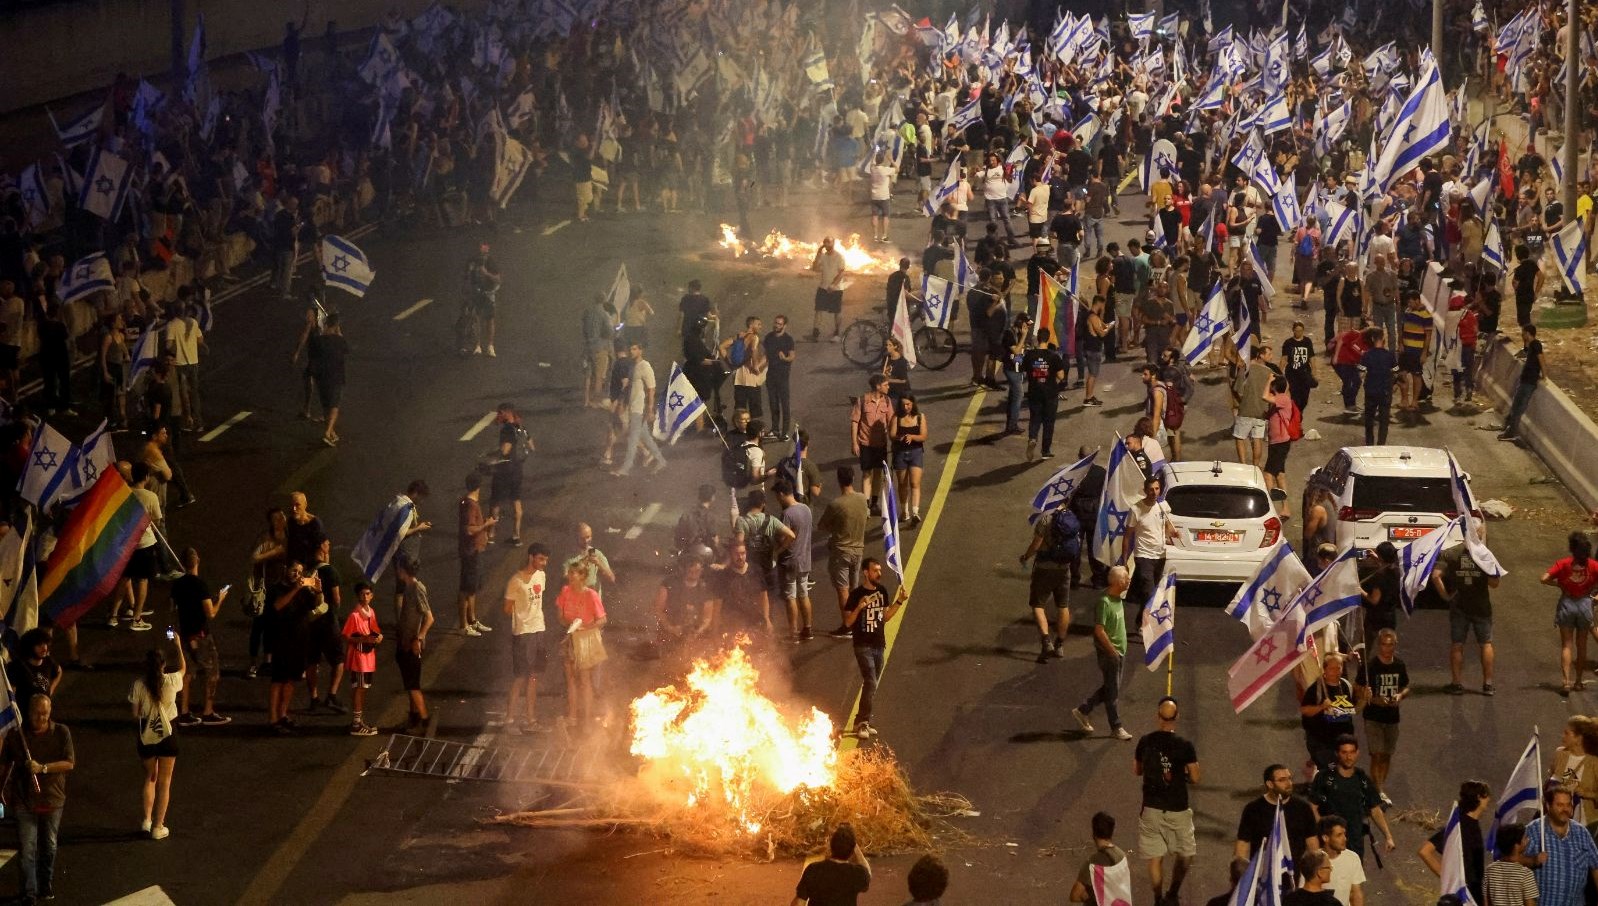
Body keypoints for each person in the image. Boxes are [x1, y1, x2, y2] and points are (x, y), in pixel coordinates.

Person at [3, 695, 73, 903]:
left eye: (46, 713)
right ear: (28, 713)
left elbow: (69, 763)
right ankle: (29, 893)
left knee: (49, 846)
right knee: (27, 850)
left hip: (52, 799)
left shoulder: (61, 732)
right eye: (37, 714)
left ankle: (46, 883)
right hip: (24, 800)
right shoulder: (17, 736)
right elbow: (5, 763)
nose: (42, 718)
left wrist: (43, 768)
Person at [1134, 698, 1200, 906]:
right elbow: (1196, 777)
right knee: (1186, 853)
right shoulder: (1185, 746)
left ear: (1158, 717)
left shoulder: (1145, 741)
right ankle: (1172, 893)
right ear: (1177, 717)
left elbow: (1137, 770)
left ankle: (1157, 898)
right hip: (1177, 808)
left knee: (1155, 857)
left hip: (1151, 807)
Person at [844, 559, 906, 740]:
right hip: (862, 646)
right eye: (875, 571)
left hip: (879, 645)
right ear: (866, 572)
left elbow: (885, 617)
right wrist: (859, 607)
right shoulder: (856, 595)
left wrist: (899, 602)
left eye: (879, 570)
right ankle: (862, 723)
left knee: (872, 685)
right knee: (870, 681)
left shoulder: (882, 591)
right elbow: (848, 622)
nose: (879, 574)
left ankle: (861, 721)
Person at [1072, 565, 1133, 741]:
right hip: (1110, 654)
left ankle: (1083, 710)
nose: (1129, 580)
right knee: (1112, 693)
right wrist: (1112, 651)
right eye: (1126, 578)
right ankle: (1116, 727)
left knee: (1110, 688)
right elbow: (1099, 631)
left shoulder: (1118, 598)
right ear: (1117, 582)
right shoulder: (1104, 602)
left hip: (1119, 651)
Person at [1308, 735, 1395, 858]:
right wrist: (1323, 832)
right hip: (1330, 843)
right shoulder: (1324, 777)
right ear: (1337, 753)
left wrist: (1388, 836)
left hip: (1355, 840)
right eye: (1344, 752)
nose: (1349, 757)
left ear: (1357, 753)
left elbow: (1375, 810)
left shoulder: (1362, 778)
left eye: (1352, 752)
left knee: (1355, 875)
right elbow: (1313, 807)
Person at [171, 548, 229, 727]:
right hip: (201, 635)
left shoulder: (177, 584)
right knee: (212, 673)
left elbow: (172, 608)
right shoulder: (200, 586)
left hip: (186, 635)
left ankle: (184, 712)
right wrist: (220, 599)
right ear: (197, 561)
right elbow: (210, 613)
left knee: (187, 674)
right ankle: (208, 711)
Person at [130, 646, 184, 839]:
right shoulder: (171, 681)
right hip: (168, 734)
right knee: (165, 782)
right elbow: (184, 669)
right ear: (163, 665)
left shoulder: (138, 685)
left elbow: (135, 714)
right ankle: (158, 826)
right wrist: (177, 645)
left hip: (146, 735)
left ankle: (146, 820)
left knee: (150, 777)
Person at [1432, 541, 1499, 695]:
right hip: (1481, 606)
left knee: (1457, 644)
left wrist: (1446, 596)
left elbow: (1436, 576)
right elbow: (1495, 583)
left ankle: (1456, 684)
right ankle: (1488, 685)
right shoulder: (1485, 554)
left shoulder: (1450, 553)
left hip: (1459, 605)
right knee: (1486, 643)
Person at [1019, 504, 1080, 663]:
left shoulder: (1046, 519)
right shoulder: (1071, 518)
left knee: (1038, 604)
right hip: (1064, 568)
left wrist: (1025, 557)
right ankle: (1060, 644)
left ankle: (1046, 641)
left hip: (1044, 568)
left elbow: (1036, 544)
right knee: (1063, 605)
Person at [1354, 629, 1409, 804]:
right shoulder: (1370, 667)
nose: (1387, 648)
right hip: (1373, 717)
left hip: (1392, 717)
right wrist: (1368, 695)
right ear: (1379, 645)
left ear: (1395, 645)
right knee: (1376, 754)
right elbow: (1356, 686)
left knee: (1386, 755)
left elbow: (1406, 686)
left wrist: (1400, 696)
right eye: (1384, 644)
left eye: (1391, 644)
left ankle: (1380, 786)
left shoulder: (1399, 665)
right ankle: (1378, 791)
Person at [1519, 786, 1598, 906]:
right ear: (1548, 806)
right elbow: (1513, 860)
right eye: (1560, 805)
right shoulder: (1533, 831)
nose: (1565, 809)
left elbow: (1596, 866)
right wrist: (1533, 860)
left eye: (1568, 805)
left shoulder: (1582, 833)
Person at [268, 560, 321, 734]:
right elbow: (278, 606)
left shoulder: (304, 591)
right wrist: (296, 589)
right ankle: (273, 719)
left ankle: (283, 714)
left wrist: (318, 590)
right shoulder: (277, 588)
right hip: (282, 640)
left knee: (291, 680)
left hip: (299, 641)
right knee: (278, 680)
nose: (297, 575)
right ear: (286, 569)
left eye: (299, 572)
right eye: (294, 571)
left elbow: (317, 605)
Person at [1542, 532, 1598, 695]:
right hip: (1585, 605)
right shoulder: (1594, 566)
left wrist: (1559, 585)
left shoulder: (1563, 564)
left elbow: (1543, 578)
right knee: (1582, 645)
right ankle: (1579, 681)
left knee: (1567, 644)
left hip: (1567, 604)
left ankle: (1566, 682)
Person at [1419, 781, 1491, 906]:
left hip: (1475, 892)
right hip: (1464, 895)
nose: (1489, 799)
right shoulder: (1459, 826)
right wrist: (1446, 875)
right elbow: (1425, 851)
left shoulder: (1473, 823)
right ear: (1479, 797)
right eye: (1487, 796)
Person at [504, 544, 549, 734]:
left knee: (533, 677)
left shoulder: (541, 576)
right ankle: (510, 719)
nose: (544, 563)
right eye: (541, 559)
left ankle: (531, 718)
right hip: (523, 633)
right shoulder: (516, 580)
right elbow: (507, 608)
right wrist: (522, 616)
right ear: (531, 557)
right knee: (520, 677)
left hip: (539, 630)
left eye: (545, 560)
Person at [557, 562, 607, 729]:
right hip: (571, 638)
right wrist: (570, 624)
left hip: (586, 640)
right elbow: (560, 616)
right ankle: (572, 717)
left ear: (583, 577)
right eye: (569, 573)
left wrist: (585, 627)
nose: (570, 577)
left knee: (585, 681)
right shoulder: (565, 592)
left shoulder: (591, 595)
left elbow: (602, 619)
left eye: (574, 574)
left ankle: (586, 720)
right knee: (570, 679)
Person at [820, 467, 870, 638]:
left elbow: (822, 526)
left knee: (843, 590)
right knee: (855, 589)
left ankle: (848, 626)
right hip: (858, 549)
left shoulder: (836, 504)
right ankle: (858, 622)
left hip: (841, 551)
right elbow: (867, 517)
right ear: (853, 478)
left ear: (839, 480)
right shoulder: (863, 499)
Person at [1235, 764, 1320, 860]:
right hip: (1263, 872)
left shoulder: (1303, 808)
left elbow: (1312, 842)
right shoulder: (1253, 809)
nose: (1289, 783)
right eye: (1282, 780)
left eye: (1289, 778)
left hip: (1293, 873)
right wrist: (1239, 870)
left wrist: (1316, 867)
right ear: (1270, 784)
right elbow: (1243, 844)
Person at [613, 341, 668, 477]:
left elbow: (651, 389)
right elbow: (629, 388)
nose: (632, 351)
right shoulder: (633, 366)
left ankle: (626, 468)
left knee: (633, 439)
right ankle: (661, 460)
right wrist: (623, 404)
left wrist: (650, 408)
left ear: (640, 351)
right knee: (646, 437)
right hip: (632, 407)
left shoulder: (645, 366)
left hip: (640, 408)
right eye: (630, 349)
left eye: (634, 349)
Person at [395, 557, 435, 733]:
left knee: (412, 685)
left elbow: (429, 617)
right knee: (410, 684)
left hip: (412, 645)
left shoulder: (417, 588)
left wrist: (418, 638)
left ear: (403, 570)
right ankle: (414, 716)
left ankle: (425, 720)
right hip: (405, 643)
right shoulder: (409, 587)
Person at [1300, 653, 1358, 775]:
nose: (1336, 671)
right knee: (1331, 770)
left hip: (1342, 743)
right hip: (1321, 742)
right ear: (1325, 669)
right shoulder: (1317, 688)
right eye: (1332, 668)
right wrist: (1321, 707)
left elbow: (1354, 709)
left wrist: (1364, 699)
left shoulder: (1346, 686)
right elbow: (1304, 710)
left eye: (1339, 667)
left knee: (1339, 770)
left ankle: (1321, 786)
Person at [457, 472, 497, 636]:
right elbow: (469, 529)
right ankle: (463, 625)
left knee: (472, 587)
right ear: (479, 486)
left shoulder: (465, 501)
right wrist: (486, 524)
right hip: (471, 551)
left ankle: (472, 620)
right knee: (466, 588)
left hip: (473, 550)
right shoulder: (471, 505)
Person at [791, 823, 871, 906]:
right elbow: (867, 874)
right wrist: (854, 845)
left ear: (831, 847)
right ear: (851, 852)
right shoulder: (856, 873)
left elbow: (799, 902)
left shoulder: (814, 870)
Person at [1123, 476, 1173, 609]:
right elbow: (1127, 536)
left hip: (1160, 555)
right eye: (1151, 489)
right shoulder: (1136, 509)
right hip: (1143, 555)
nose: (1154, 492)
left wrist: (1172, 533)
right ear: (1145, 490)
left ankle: (1141, 620)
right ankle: (1144, 625)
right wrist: (1124, 562)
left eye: (1157, 489)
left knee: (1153, 593)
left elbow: (1167, 526)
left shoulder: (1163, 506)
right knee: (1148, 591)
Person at [341, 582, 382, 736]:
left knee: (364, 688)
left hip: (368, 657)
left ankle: (359, 720)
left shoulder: (371, 612)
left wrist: (378, 637)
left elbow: (375, 629)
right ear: (358, 596)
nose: (365, 597)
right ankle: (356, 724)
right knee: (359, 688)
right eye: (362, 594)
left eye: (367, 594)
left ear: (372, 596)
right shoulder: (355, 616)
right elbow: (347, 635)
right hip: (359, 658)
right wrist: (363, 640)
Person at [775, 481, 814, 642]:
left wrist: (778, 550)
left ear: (782, 494)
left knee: (790, 596)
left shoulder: (787, 514)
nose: (777, 500)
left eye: (777, 496)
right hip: (805, 559)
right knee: (803, 594)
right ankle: (808, 629)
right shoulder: (806, 509)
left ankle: (793, 633)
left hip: (790, 560)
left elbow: (786, 537)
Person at [489, 404, 534, 542]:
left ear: (504, 413)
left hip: (504, 470)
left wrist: (494, 458)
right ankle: (516, 536)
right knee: (516, 500)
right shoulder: (521, 429)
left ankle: (491, 534)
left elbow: (505, 450)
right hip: (517, 470)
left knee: (495, 501)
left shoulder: (507, 430)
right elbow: (532, 447)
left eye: (499, 413)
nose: (498, 416)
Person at [1022, 328, 1066, 461]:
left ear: (1038, 338)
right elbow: (1061, 375)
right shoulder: (1054, 356)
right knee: (1049, 422)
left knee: (1035, 418)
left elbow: (1024, 370)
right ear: (1048, 339)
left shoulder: (1030, 355)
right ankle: (1045, 450)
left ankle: (1032, 438)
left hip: (1034, 392)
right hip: (1050, 393)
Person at [1069, 812, 1129, 904]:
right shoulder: (1122, 856)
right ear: (1112, 832)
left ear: (1094, 834)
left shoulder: (1092, 863)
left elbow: (1075, 895)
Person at [852, 373, 893, 502]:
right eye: (886, 385)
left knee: (878, 473)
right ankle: (866, 503)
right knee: (866, 474)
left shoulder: (887, 401)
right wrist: (854, 443)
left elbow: (891, 421)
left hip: (880, 444)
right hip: (865, 444)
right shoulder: (862, 400)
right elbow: (855, 422)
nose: (888, 387)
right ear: (877, 386)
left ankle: (874, 502)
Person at [1499, 324, 1543, 442]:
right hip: (1524, 380)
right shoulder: (1530, 346)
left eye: (1523, 333)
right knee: (1515, 407)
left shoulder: (1536, 345)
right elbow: (1525, 353)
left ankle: (1512, 431)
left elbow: (1541, 360)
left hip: (1529, 382)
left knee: (1519, 409)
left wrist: (1545, 375)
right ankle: (1508, 429)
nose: (1522, 335)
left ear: (1528, 333)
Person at [1359, 541, 1402, 656]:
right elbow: (1386, 567)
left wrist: (1359, 590)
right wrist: (1377, 559)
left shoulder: (1380, 578)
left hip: (1376, 617)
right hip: (1390, 616)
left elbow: (1374, 600)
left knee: (1365, 646)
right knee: (1387, 647)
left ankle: (1364, 670)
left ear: (1382, 557)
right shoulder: (1396, 571)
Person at [1483, 823, 1540, 906]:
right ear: (1516, 845)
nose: (1527, 840)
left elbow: (1486, 902)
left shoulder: (1489, 870)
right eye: (1524, 838)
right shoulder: (1525, 874)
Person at [891, 394, 927, 526]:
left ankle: (915, 512)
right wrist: (900, 438)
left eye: (908, 404)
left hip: (915, 453)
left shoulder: (920, 417)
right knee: (902, 484)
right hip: (900, 453)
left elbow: (923, 436)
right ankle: (904, 511)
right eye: (903, 405)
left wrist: (912, 437)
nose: (906, 407)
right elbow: (892, 435)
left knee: (915, 483)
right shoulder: (896, 417)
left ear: (913, 404)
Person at [1549, 716, 1598, 812]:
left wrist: (1586, 793)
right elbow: (1551, 775)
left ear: (1579, 739)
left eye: (1566, 733)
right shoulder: (1560, 754)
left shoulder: (1594, 763)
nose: (1562, 736)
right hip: (1555, 815)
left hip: (1583, 820)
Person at [1320, 816, 1365, 906]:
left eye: (1344, 834)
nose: (1344, 838)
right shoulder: (1313, 861)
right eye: (1339, 835)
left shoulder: (1352, 858)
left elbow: (1355, 893)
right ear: (1325, 838)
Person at [765, 315, 797, 438]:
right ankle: (775, 429)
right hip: (771, 375)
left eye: (779, 324)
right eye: (775, 323)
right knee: (773, 403)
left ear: (784, 325)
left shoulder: (788, 339)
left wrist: (785, 358)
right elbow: (766, 355)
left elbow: (792, 356)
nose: (776, 325)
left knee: (785, 404)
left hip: (783, 376)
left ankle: (785, 432)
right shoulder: (769, 337)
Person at [810, 237, 846, 342]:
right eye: (824, 242)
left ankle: (837, 332)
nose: (826, 244)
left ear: (833, 243)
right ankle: (815, 333)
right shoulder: (823, 256)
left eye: (828, 242)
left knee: (836, 311)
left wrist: (833, 285)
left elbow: (842, 273)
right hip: (823, 287)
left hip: (836, 289)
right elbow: (815, 268)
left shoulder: (839, 257)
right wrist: (818, 253)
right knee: (818, 310)